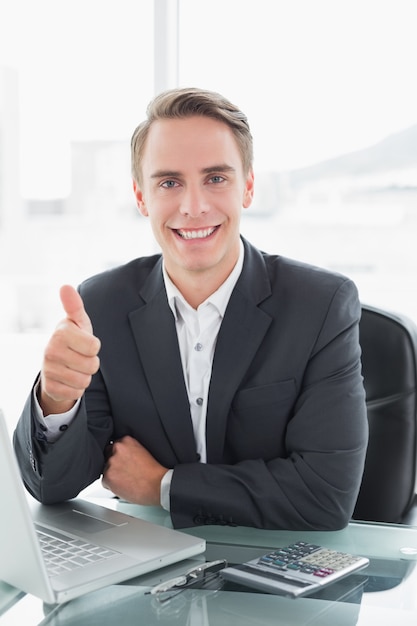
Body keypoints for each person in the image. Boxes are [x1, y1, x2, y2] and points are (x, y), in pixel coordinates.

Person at [13, 87, 368, 530]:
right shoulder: (103, 305)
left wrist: (164, 485)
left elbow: (325, 496)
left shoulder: (321, 306)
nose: (194, 207)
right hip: (149, 572)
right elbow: (51, 488)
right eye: (169, 182)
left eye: (216, 178)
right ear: (142, 197)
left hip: (282, 575)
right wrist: (56, 399)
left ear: (248, 187)